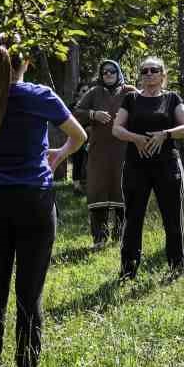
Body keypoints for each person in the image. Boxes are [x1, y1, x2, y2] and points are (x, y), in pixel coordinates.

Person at [0, 35, 87, 367]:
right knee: (29, 292)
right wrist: (58, 156)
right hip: (34, 198)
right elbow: (78, 137)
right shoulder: (40, 95)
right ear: (25, 62)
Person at [112, 56, 184, 280]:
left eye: (154, 70)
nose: (149, 74)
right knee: (133, 217)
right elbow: (116, 129)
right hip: (136, 167)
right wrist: (135, 138)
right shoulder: (131, 99)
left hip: (167, 165)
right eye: (144, 71)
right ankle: (128, 269)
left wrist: (165, 134)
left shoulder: (172, 98)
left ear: (162, 74)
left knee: (172, 216)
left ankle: (178, 265)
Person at [73, 59, 134, 250]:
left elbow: (146, 107)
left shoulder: (129, 91)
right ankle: (99, 239)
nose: (108, 75)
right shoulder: (94, 92)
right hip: (99, 152)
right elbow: (75, 113)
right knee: (97, 192)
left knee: (122, 191)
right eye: (104, 72)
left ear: (119, 73)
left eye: (112, 71)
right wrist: (93, 114)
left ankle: (121, 235)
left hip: (124, 151)